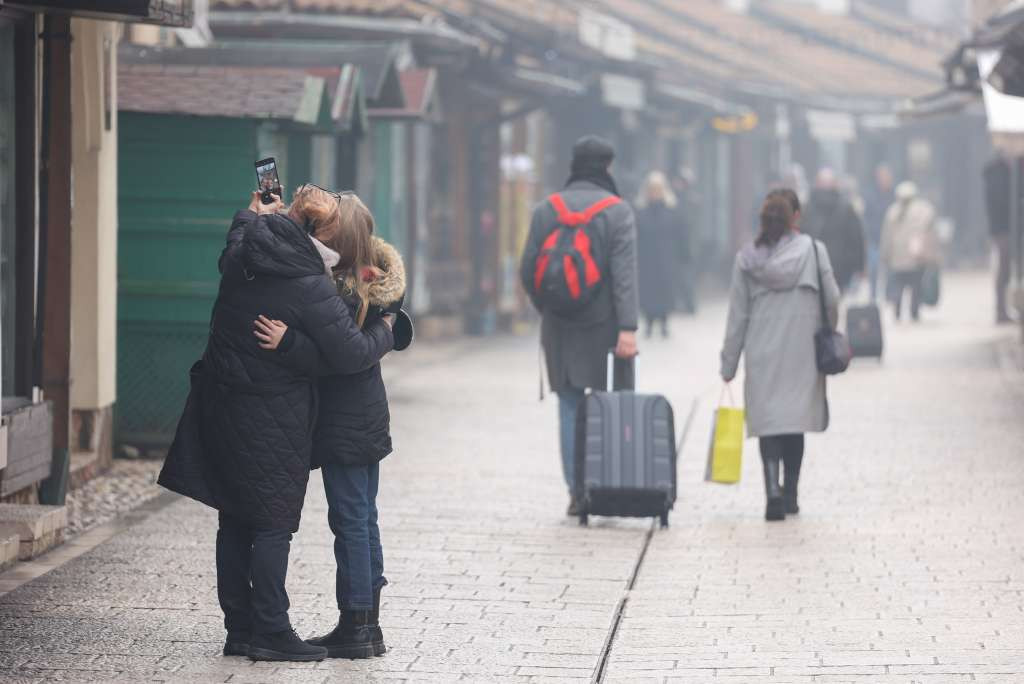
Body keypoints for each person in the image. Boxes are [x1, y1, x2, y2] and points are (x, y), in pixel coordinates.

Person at [157, 186, 395, 663]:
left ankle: (240, 629)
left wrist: (252, 210)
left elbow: (235, 241)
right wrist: (387, 332)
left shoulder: (244, 258)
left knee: (233, 518)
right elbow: (349, 353)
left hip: (222, 404)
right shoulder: (307, 282)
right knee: (271, 524)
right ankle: (271, 629)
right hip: (272, 412)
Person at [254, 193, 410, 660]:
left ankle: (357, 624)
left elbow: (335, 357)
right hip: (366, 418)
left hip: (346, 421)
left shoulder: (340, 290)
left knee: (351, 521)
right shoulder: (373, 283)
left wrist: (288, 343)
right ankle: (368, 623)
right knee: (364, 518)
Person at [519, 135, 639, 516]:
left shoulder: (546, 209)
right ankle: (603, 484)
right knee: (606, 404)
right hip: (603, 327)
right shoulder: (617, 212)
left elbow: (527, 271)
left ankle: (576, 491)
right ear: (607, 167)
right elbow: (623, 278)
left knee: (569, 406)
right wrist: (628, 328)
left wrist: (549, 306)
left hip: (558, 325)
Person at [720, 190, 840, 521]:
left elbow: (737, 315)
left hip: (762, 352)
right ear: (793, 218)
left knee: (770, 422)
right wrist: (829, 331)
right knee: (793, 423)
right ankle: (791, 494)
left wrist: (728, 362)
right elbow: (832, 298)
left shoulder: (746, 260)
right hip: (801, 350)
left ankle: (772, 491)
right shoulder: (814, 252)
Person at [881, 182, 940, 323]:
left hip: (898, 259)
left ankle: (898, 312)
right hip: (916, 258)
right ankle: (914, 312)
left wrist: (886, 255)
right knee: (915, 286)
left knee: (899, 286)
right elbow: (931, 235)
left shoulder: (892, 212)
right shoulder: (924, 210)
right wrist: (933, 256)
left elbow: (886, 237)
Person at [802, 168, 866, 293]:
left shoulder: (807, 208)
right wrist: (858, 265)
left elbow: (799, 235)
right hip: (839, 268)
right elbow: (856, 238)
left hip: (812, 265)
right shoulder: (847, 207)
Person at [636, 171, 679, 337]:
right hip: (646, 259)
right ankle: (648, 322)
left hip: (666, 259)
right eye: (652, 189)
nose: (655, 193)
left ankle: (664, 321)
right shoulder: (640, 212)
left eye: (658, 189)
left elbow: (680, 235)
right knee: (648, 292)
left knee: (665, 291)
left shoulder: (672, 211)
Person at [984, 154, 1016, 324]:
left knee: (1005, 272)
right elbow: (1000, 203)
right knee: (1004, 271)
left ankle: (1002, 309)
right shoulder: (998, 173)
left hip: (1005, 229)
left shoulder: (1005, 171)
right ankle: (1001, 310)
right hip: (1004, 229)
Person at [863, 164, 895, 301]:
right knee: (874, 268)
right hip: (874, 238)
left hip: (891, 238)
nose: (885, 180)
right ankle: (873, 294)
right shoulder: (870, 195)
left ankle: (888, 294)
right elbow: (866, 217)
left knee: (890, 269)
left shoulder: (893, 196)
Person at [670, 169, 699, 314]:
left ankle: (689, 304)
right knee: (680, 274)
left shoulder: (688, 200)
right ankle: (681, 303)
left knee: (686, 275)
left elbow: (688, 224)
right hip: (680, 243)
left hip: (687, 244)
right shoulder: (677, 199)